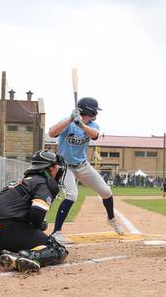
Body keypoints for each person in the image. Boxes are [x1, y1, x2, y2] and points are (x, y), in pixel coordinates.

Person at [48, 97, 124, 245]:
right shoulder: (68, 122)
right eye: (95, 110)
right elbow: (51, 133)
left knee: (106, 191)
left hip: (82, 165)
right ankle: (56, 232)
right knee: (72, 195)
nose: (96, 113)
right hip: (64, 166)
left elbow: (94, 135)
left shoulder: (92, 124)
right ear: (89, 110)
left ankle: (111, 219)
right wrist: (70, 119)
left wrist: (81, 124)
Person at [0, 150, 68, 273]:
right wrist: (38, 225)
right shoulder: (42, 183)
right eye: (56, 167)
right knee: (57, 249)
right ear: (51, 168)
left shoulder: (21, 181)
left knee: (27, 227)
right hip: (4, 228)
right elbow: (37, 214)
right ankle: (24, 257)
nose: (58, 170)